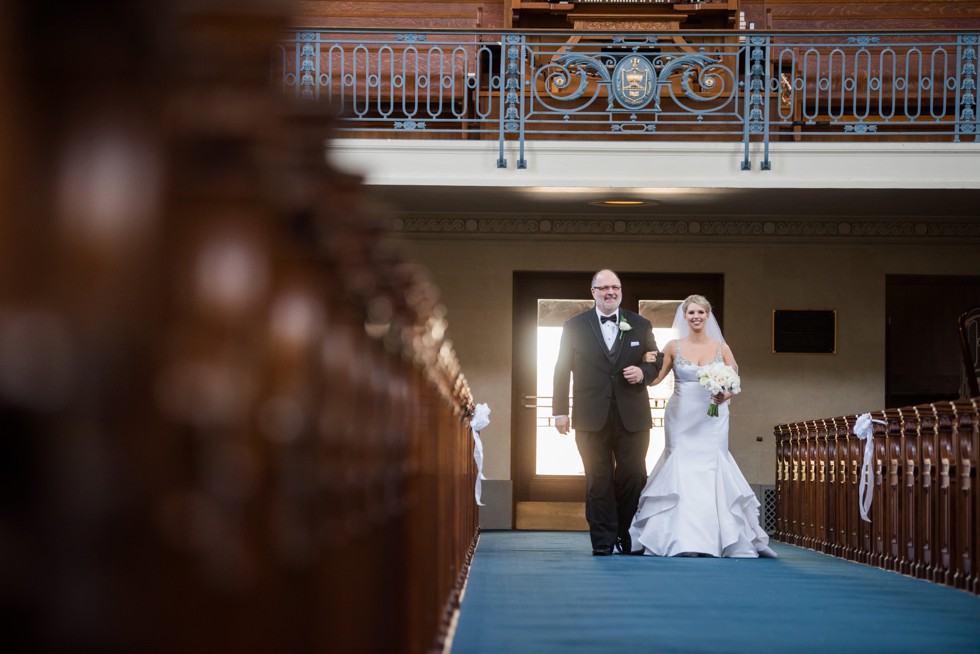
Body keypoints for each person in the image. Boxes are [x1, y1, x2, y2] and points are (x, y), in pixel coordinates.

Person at [628, 294, 776, 558]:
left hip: (712, 416)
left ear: (708, 316)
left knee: (711, 468)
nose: (696, 317)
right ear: (684, 317)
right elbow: (654, 381)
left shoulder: (721, 347)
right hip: (681, 415)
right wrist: (647, 361)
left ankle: (723, 538)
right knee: (682, 467)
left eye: (701, 313)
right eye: (691, 313)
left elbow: (734, 382)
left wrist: (724, 394)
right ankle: (679, 538)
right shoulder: (673, 346)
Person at [552, 270, 663, 556]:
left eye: (615, 287)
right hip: (590, 414)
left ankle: (625, 534)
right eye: (603, 288)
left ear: (621, 291)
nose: (610, 292)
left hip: (632, 414)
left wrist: (644, 372)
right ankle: (602, 540)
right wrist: (560, 411)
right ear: (593, 292)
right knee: (597, 478)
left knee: (633, 475)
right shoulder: (574, 325)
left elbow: (656, 359)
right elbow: (561, 368)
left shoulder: (640, 324)